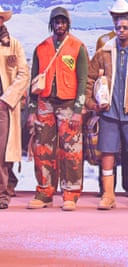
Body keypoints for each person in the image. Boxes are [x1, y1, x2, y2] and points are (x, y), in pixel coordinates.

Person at [86, 17, 128, 211]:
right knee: (107, 153)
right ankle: (108, 195)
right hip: (109, 112)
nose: (121, 31)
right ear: (114, 30)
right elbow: (90, 80)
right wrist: (92, 103)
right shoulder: (104, 53)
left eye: (125, 28)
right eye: (118, 28)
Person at [27, 7, 88, 211]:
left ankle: (70, 194)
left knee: (71, 151)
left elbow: (82, 80)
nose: (59, 25)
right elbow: (33, 80)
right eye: (56, 22)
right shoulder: (41, 48)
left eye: (63, 22)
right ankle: (45, 192)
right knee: (42, 149)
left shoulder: (77, 47)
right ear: (51, 24)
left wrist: (79, 110)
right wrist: (31, 109)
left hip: (69, 103)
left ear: (68, 24)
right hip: (45, 103)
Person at [95, 0, 128, 197]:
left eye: (122, 15)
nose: (119, 19)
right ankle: (107, 191)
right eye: (116, 16)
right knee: (109, 147)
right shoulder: (103, 41)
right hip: (111, 103)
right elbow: (99, 69)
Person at [0, 6, 29, 209]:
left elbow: (23, 74)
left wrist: (6, 98)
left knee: (1, 152)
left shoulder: (13, 45)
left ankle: (2, 193)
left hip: (3, 105)